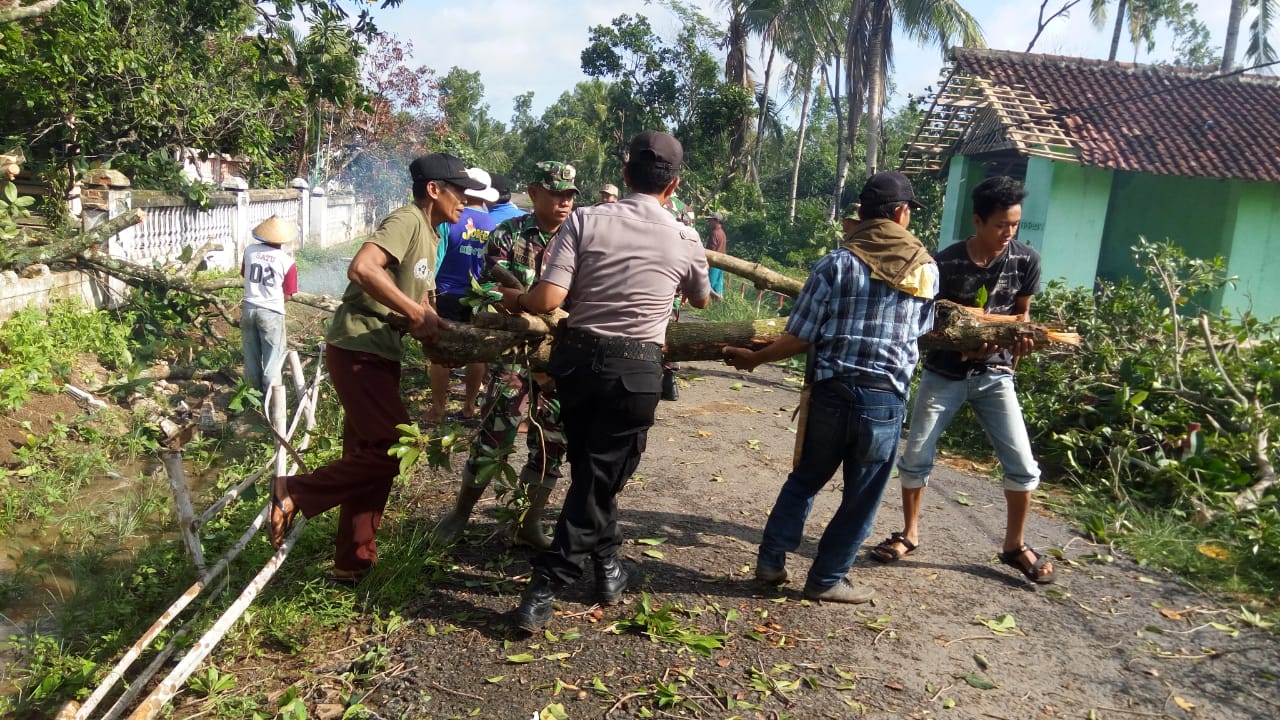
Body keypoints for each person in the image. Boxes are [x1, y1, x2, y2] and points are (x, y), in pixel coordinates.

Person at [503, 131, 710, 631]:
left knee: (595, 470)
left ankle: (609, 566)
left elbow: (549, 298)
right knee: (601, 476)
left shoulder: (585, 219)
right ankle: (548, 583)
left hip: (577, 366)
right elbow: (701, 298)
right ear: (673, 184)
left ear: (624, 176)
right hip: (636, 372)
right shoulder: (685, 236)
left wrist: (517, 300)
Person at [723, 171, 937, 604]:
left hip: (831, 393)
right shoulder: (926, 270)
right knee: (861, 498)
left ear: (864, 215)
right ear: (900, 213)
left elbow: (799, 336)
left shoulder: (835, 263)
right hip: (883, 400)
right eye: (908, 210)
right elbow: (921, 333)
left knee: (805, 479)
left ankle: (771, 561)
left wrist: (754, 358)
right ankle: (826, 578)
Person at [266, 153, 481, 583]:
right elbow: (363, 268)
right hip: (358, 348)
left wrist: (435, 325)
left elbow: (417, 298)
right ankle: (295, 490)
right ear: (434, 190)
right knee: (398, 447)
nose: (466, 202)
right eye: (459, 192)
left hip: (381, 351)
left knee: (366, 455)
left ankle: (352, 562)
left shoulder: (434, 234)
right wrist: (416, 315)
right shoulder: (407, 220)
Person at [878, 176, 1055, 584]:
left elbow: (1022, 313)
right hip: (944, 374)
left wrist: (1019, 337)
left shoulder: (1026, 260)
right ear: (977, 220)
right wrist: (961, 341)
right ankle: (910, 533)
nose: (1008, 234)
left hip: (996, 375)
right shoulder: (946, 262)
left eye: (1014, 225)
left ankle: (1014, 546)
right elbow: (929, 322)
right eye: (1000, 226)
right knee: (916, 457)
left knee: (1023, 466)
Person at [434, 161, 579, 549]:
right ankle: (459, 515)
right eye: (555, 193)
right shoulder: (507, 233)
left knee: (551, 442)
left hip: (559, 359)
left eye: (569, 195)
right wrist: (519, 303)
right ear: (533, 193)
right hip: (512, 355)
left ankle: (528, 523)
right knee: (494, 436)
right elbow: (484, 291)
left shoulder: (579, 237)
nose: (564, 202)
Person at [428, 167, 498, 423]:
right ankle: (469, 407)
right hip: (480, 296)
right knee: (476, 352)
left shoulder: (449, 220)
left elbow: (437, 258)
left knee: (440, 352)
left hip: (446, 292)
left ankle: (438, 409)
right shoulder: (495, 225)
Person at [240, 216, 298, 394]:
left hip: (249, 308)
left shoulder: (249, 251)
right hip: (271, 311)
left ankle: (250, 393)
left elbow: (245, 274)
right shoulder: (287, 262)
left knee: (251, 355)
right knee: (273, 357)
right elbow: (288, 295)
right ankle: (271, 399)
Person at [705, 212, 727, 300]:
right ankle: (718, 305)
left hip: (714, 264)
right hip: (721, 263)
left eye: (711, 221)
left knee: (707, 285)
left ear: (717, 221)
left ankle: (717, 299)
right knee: (718, 286)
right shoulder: (722, 233)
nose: (709, 223)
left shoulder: (715, 233)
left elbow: (711, 250)